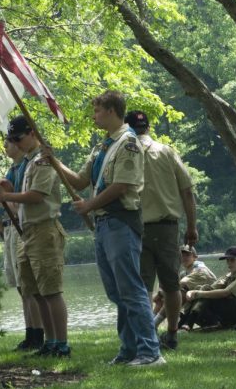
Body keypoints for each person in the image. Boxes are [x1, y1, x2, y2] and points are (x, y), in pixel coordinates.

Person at [44, 90, 163, 367]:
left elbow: (122, 185)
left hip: (120, 221)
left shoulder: (128, 143)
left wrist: (89, 206)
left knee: (131, 288)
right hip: (103, 224)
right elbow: (79, 181)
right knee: (116, 291)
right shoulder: (102, 147)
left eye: (97, 111)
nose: (94, 116)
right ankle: (129, 349)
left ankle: (150, 351)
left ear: (111, 110)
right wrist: (54, 161)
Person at [0, 116, 69, 357]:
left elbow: (37, 195)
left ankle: (62, 343)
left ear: (32, 133)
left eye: (18, 138)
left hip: (44, 229)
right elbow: (25, 196)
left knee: (51, 290)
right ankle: (49, 340)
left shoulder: (43, 161)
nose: (16, 142)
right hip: (27, 232)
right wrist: (11, 192)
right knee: (34, 290)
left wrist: (7, 198)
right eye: (12, 139)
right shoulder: (27, 162)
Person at [124, 110, 197, 351]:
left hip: (138, 227)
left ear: (128, 127)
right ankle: (172, 334)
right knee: (171, 285)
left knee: (142, 287)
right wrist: (192, 226)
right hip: (168, 227)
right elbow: (187, 191)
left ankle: (146, 337)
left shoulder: (126, 152)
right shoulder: (167, 151)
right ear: (148, 127)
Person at [0, 137, 44, 351]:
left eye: (10, 142)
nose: (6, 146)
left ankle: (37, 333)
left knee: (28, 285)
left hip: (20, 225)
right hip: (9, 227)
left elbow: (21, 201)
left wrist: (7, 196)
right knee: (19, 283)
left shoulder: (27, 165)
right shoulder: (13, 169)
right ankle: (30, 331)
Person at [179, 246, 236, 330]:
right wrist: (197, 291)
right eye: (227, 260)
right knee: (205, 289)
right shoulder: (229, 275)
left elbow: (226, 292)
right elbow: (211, 288)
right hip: (231, 309)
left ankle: (187, 322)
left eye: (232, 260)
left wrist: (197, 293)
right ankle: (209, 323)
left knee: (205, 294)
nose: (229, 263)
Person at [154, 245, 216, 328]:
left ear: (195, 257)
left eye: (187, 255)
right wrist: (160, 296)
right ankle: (151, 322)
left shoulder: (201, 269)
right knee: (163, 297)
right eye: (181, 255)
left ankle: (153, 324)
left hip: (213, 309)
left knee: (177, 294)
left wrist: (161, 293)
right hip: (198, 310)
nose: (184, 257)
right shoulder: (184, 273)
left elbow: (179, 285)